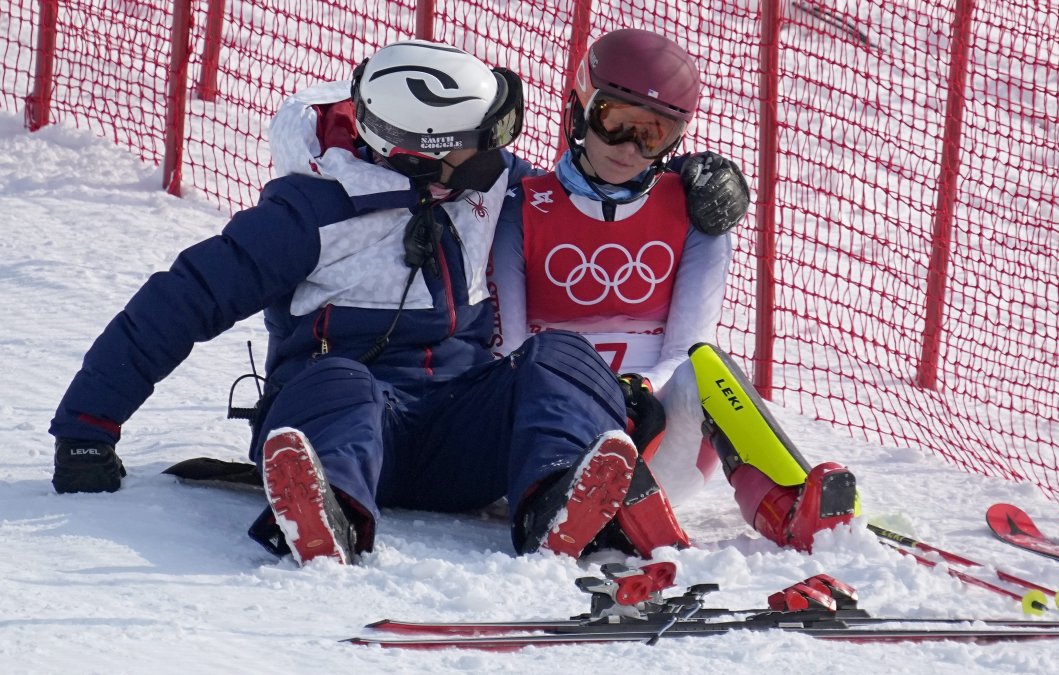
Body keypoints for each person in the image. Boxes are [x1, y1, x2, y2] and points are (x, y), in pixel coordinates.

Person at [49, 39, 749, 566]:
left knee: (559, 355)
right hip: (347, 426)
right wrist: (88, 423)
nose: (501, 154)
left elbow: (590, 180)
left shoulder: (482, 183)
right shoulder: (309, 216)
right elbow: (184, 299)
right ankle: (329, 510)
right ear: (422, 153)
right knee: (340, 379)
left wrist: (690, 178)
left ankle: (562, 499)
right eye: (484, 142)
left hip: (457, 428)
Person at [491, 29, 857, 555]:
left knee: (706, 370)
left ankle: (786, 507)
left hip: (659, 430)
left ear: (676, 141)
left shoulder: (698, 212)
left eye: (653, 134)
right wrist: (599, 401)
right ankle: (596, 510)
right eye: (614, 123)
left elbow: (690, 343)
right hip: (546, 432)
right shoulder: (523, 206)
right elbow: (510, 348)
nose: (628, 149)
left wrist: (638, 392)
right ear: (580, 109)